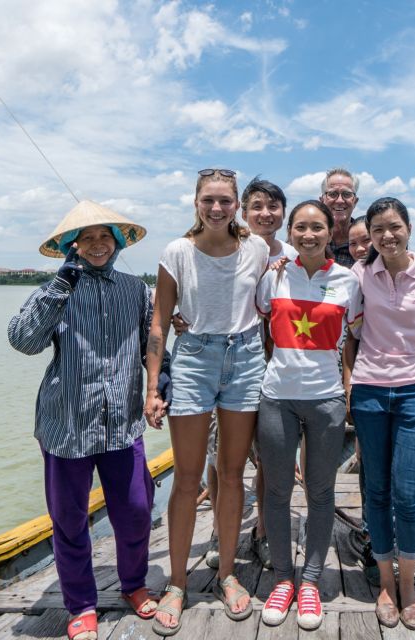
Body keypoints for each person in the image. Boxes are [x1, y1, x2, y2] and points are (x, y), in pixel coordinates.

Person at [7, 201, 159, 640]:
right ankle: (81, 604)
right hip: (66, 424)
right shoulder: (54, 288)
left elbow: (155, 342)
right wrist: (61, 284)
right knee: (69, 520)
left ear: (117, 242)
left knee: (134, 511)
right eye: (87, 238)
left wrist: (157, 388)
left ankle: (133, 584)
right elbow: (23, 341)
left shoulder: (135, 288)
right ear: (73, 246)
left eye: (104, 237)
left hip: (123, 423)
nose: (97, 245)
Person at [145, 169, 269, 636]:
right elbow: (159, 323)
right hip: (194, 357)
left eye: (225, 201)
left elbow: (305, 269)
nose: (217, 209)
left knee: (233, 473)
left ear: (238, 204)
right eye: (208, 200)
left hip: (245, 356)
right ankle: (177, 583)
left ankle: (227, 573)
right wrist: (153, 387)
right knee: (187, 477)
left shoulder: (258, 248)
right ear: (195, 202)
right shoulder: (176, 252)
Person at [171, 177, 293, 571]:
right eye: (257, 206)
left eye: (273, 207)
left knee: (256, 461)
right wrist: (181, 317)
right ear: (245, 208)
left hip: (259, 365)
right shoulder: (204, 248)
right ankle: (218, 541)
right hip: (204, 360)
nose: (265, 214)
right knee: (212, 459)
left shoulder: (285, 253)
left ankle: (258, 535)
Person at [344, 197, 415, 631]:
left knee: (408, 494)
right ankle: (385, 582)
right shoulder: (358, 275)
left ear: (408, 228)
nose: (387, 236)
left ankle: (408, 584)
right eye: (378, 230)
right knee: (377, 490)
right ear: (368, 237)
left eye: (394, 227)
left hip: (413, 393)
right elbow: (345, 325)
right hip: (369, 392)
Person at [255, 200, 362, 630]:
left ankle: (312, 582)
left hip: (327, 400)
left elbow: (357, 336)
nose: (309, 234)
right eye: (300, 227)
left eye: (317, 227)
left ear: (328, 230)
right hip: (277, 397)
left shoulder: (348, 281)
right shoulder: (274, 276)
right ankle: (283, 579)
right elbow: (253, 327)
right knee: (277, 493)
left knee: (320, 494)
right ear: (291, 231)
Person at [320, 167, 360, 267]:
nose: (339, 201)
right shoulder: (309, 238)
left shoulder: (368, 240)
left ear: (355, 201)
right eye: (333, 194)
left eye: (347, 194)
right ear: (322, 201)